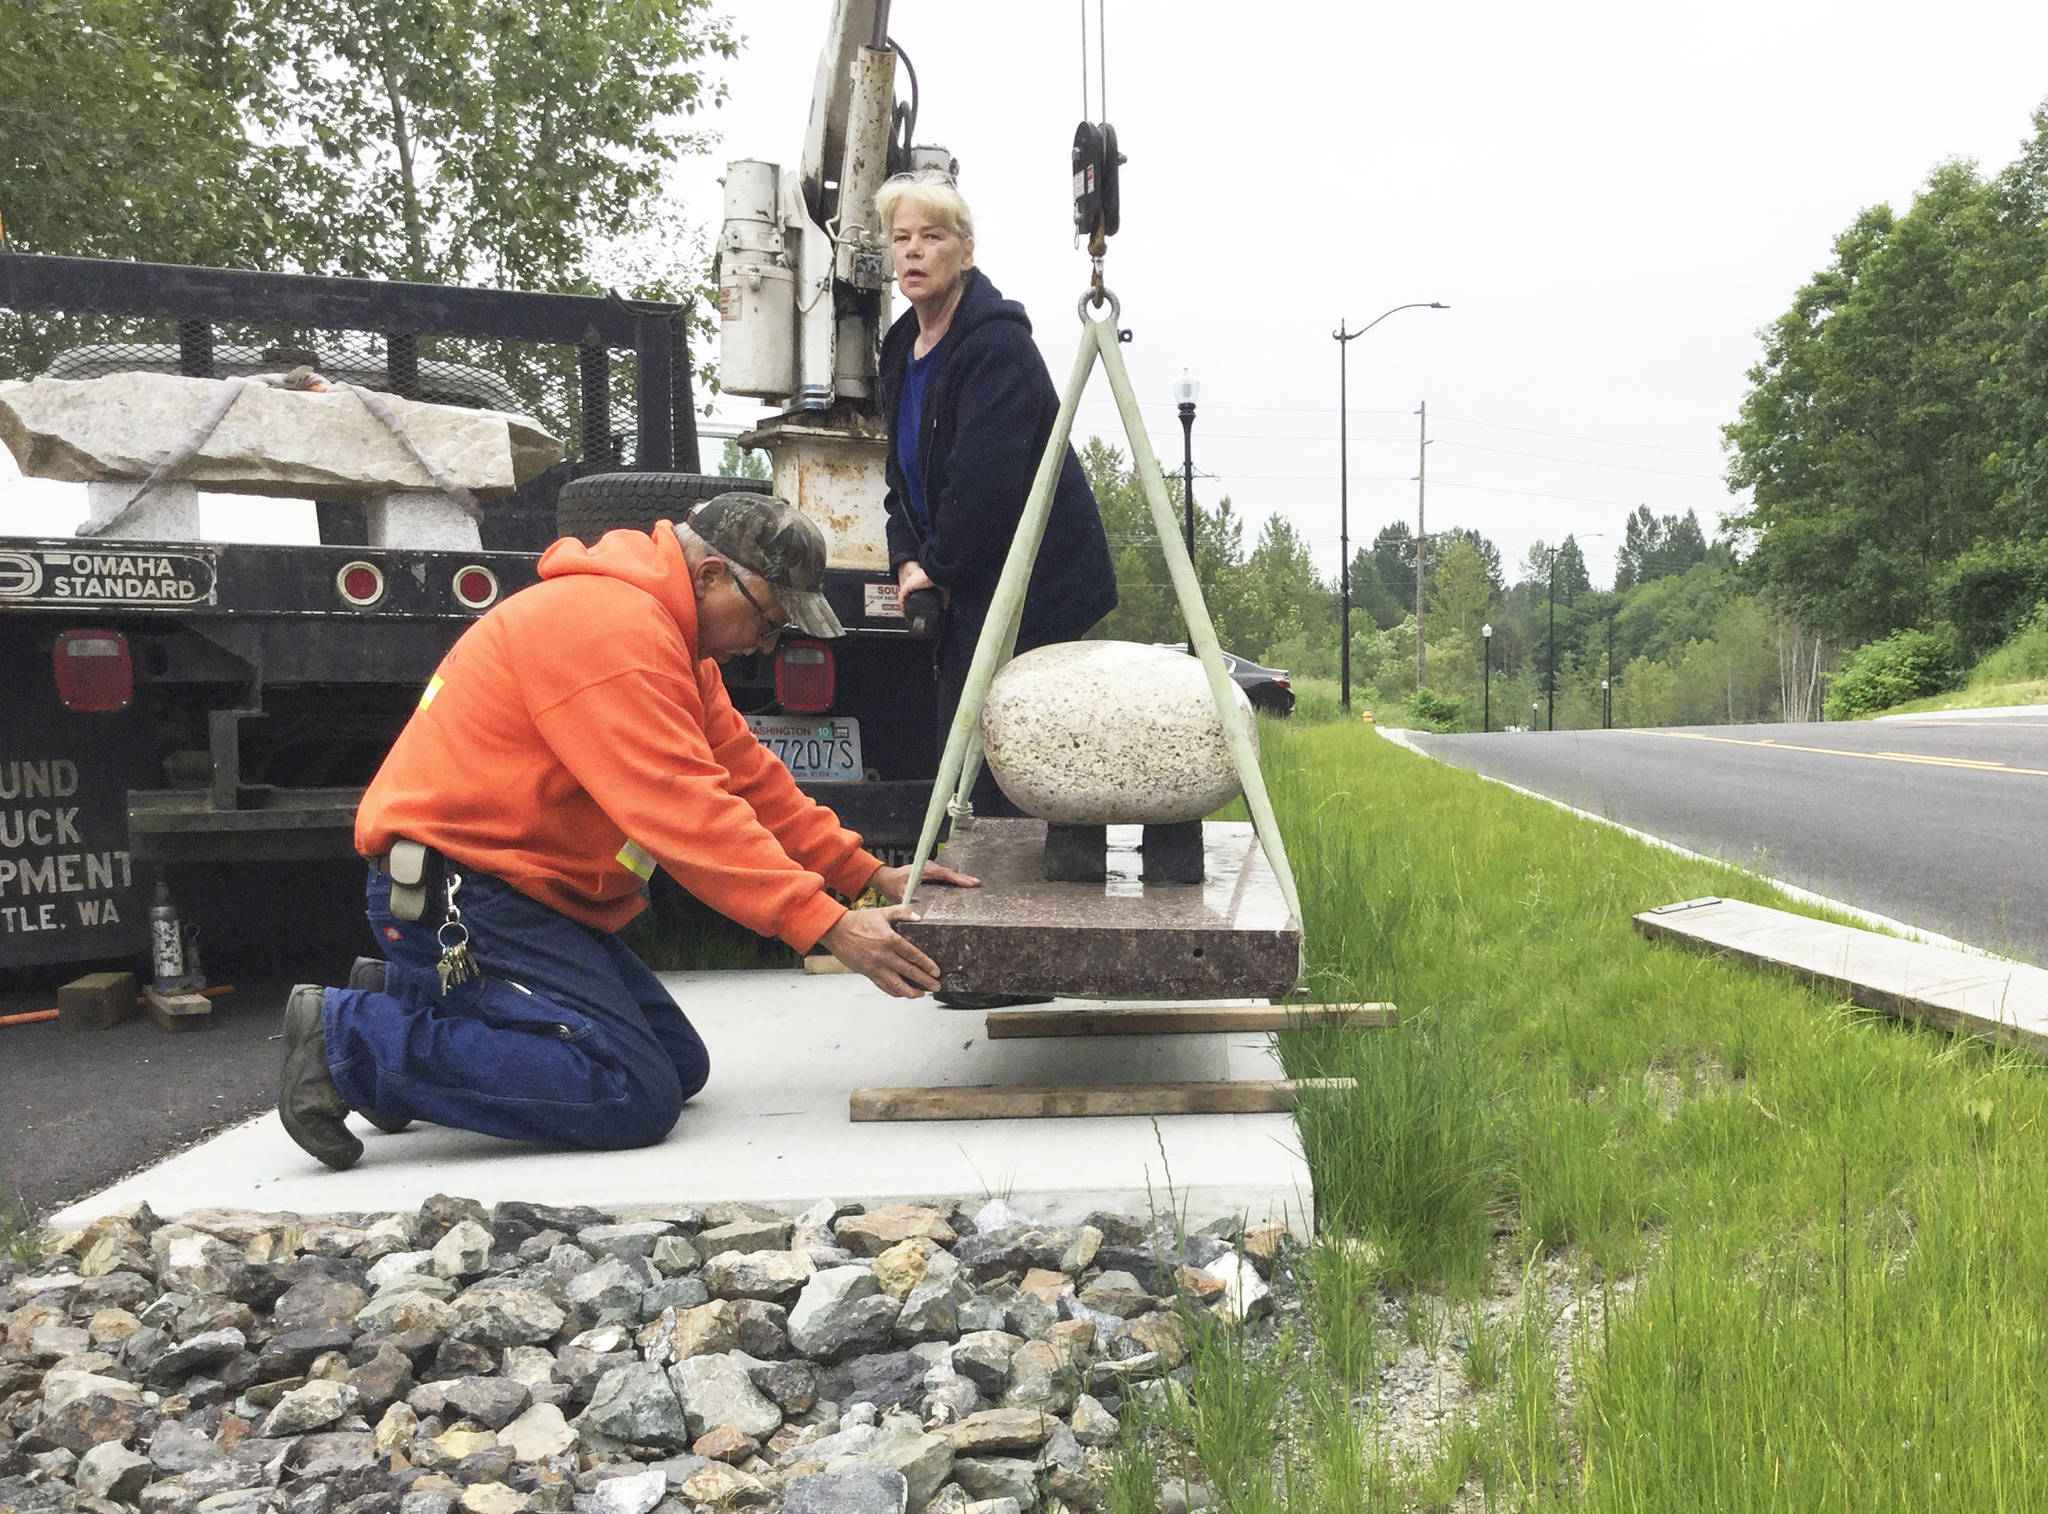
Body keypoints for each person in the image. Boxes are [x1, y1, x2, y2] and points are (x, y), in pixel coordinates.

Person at [277, 493, 977, 1171]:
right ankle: (350, 1043)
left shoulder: (671, 642)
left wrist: (866, 875)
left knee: (676, 1065)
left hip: (518, 892)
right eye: (768, 619)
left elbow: (746, 780)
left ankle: (416, 996)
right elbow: (684, 812)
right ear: (708, 575)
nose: (766, 643)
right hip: (460, 893)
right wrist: (828, 925)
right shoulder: (610, 631)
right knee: (630, 1091)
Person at [876, 168, 1118, 819]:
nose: (913, 251)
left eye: (931, 236)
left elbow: (984, 489)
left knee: (1007, 770)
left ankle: (1022, 907)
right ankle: (972, 894)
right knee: (960, 765)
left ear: (965, 251)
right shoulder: (901, 349)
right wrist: (906, 563)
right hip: (969, 581)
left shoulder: (996, 348)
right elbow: (900, 482)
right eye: (901, 238)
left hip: (1033, 589)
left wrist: (939, 568)